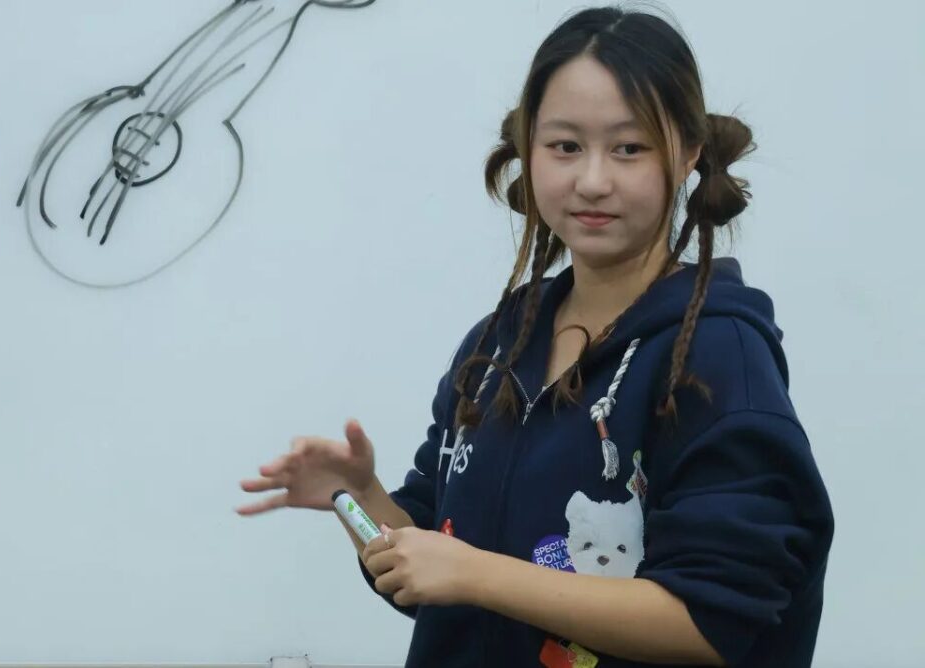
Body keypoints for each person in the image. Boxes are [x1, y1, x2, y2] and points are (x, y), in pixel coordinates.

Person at [235, 5, 834, 666]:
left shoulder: (720, 353)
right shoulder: (497, 344)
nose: (593, 181)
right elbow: (428, 565)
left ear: (688, 152)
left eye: (629, 148)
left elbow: (715, 621)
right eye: (565, 146)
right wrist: (358, 498)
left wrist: (476, 575)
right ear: (529, 151)